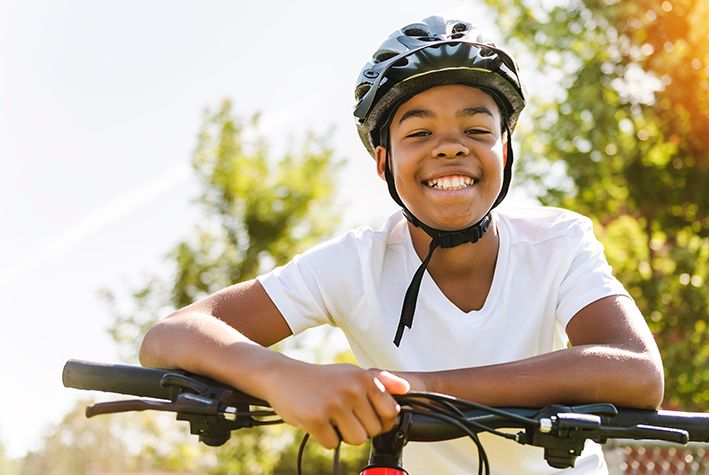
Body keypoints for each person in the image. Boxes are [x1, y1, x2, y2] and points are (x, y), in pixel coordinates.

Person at [139, 16, 663, 474]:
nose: (451, 145)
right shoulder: (357, 262)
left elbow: (636, 370)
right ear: (384, 162)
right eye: (417, 134)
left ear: (505, 148)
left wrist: (413, 387)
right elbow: (171, 335)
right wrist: (285, 378)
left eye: (477, 128)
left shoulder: (558, 243)